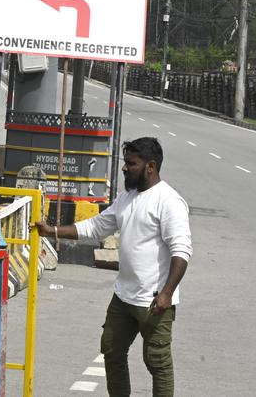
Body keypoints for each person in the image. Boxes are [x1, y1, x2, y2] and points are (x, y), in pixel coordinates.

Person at [34, 137, 191, 397]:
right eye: (125, 162)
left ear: (150, 167)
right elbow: (95, 227)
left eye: (131, 163)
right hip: (123, 296)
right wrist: (53, 231)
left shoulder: (169, 202)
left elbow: (181, 251)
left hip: (154, 301)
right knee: (111, 349)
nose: (124, 168)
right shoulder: (127, 197)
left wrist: (166, 293)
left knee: (157, 362)